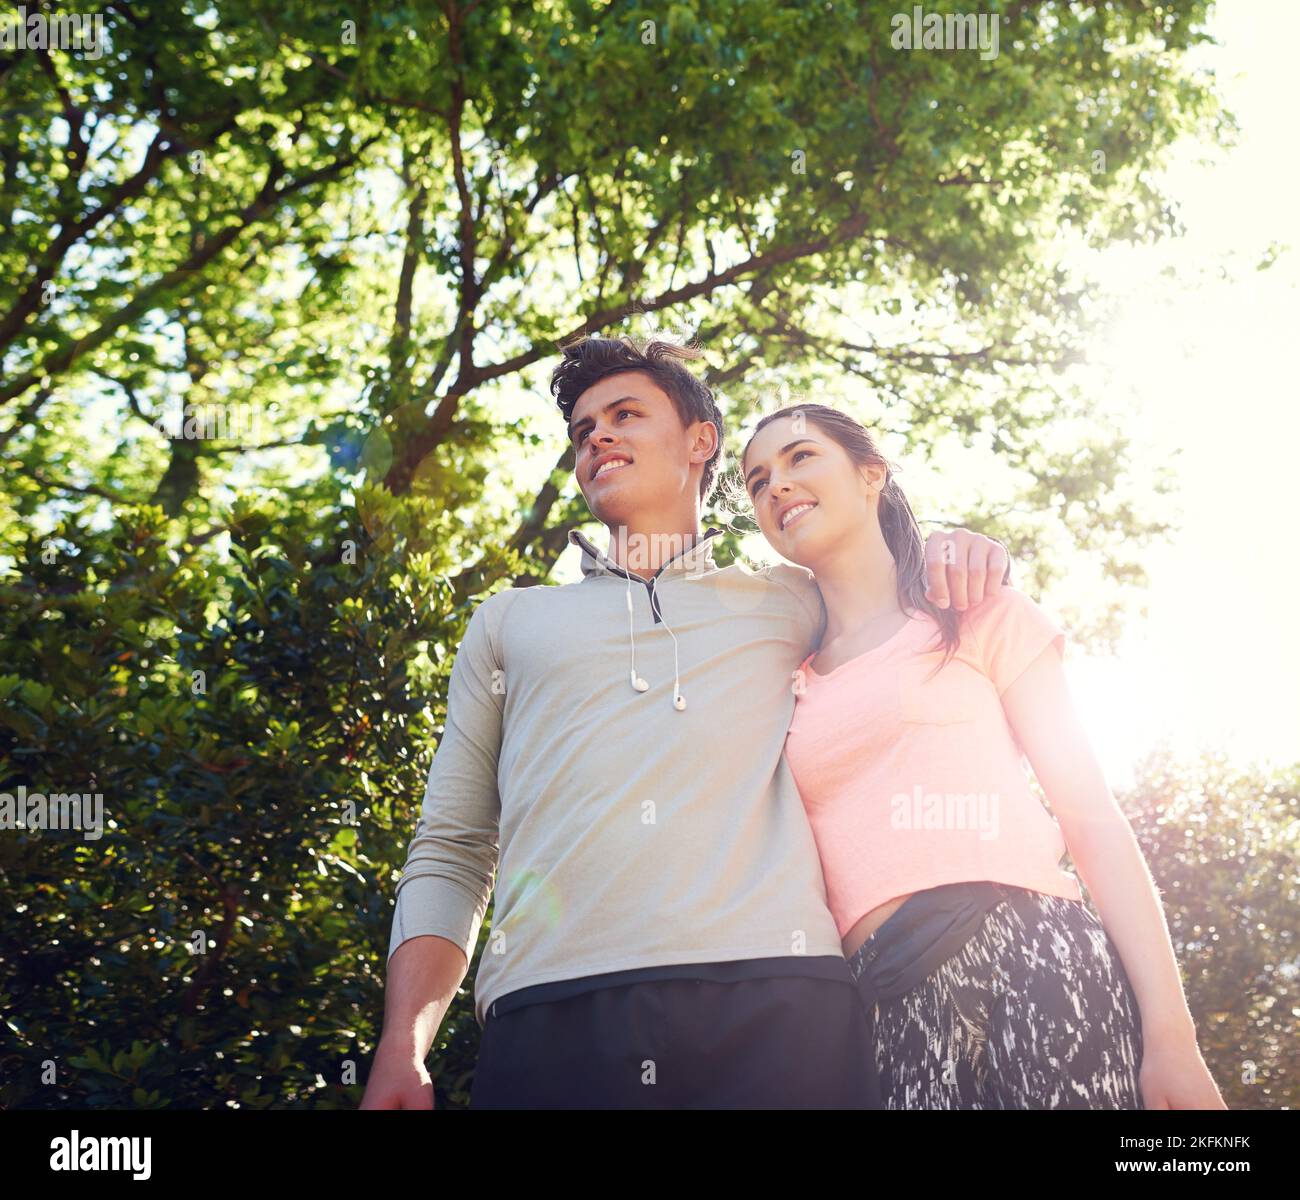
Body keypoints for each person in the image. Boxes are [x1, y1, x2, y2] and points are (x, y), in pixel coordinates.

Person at [361, 337, 1007, 1109]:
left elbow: (890, 602)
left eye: (625, 414)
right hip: (551, 1010)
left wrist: (949, 546)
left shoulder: (794, 600)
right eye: (582, 429)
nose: (596, 435)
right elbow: (454, 844)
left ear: (701, 441)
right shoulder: (509, 622)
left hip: (784, 997)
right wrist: (404, 1042)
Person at [739, 402, 1226, 1110]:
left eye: (799, 457)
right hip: (887, 1002)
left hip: (1035, 957)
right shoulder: (784, 682)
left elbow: (1093, 824)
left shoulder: (976, 611)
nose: (775, 484)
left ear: (872, 475)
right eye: (756, 481)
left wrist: (1173, 1041)